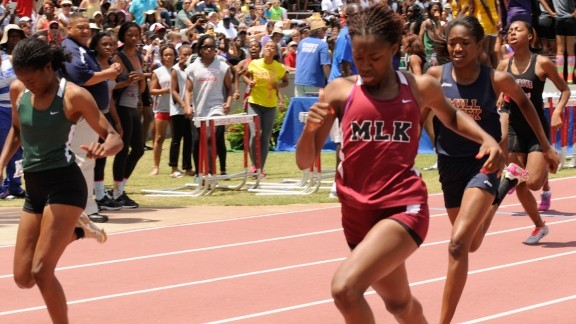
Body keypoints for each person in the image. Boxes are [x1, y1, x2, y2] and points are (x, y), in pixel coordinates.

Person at [296, 4, 504, 323]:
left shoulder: (419, 87)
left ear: (393, 49)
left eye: (374, 58)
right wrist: (309, 131)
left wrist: (486, 139)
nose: (365, 66)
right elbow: (304, 161)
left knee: (345, 289)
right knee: (399, 305)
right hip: (356, 214)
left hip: (402, 208)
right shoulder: (339, 92)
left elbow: (452, 116)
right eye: (358, 57)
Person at [425, 16, 559, 324]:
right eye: (453, 42)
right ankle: (504, 189)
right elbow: (421, 114)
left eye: (464, 43)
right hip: (449, 165)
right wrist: (432, 141)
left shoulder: (494, 78)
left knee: (457, 244)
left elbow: (526, 105)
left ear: (478, 45)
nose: (457, 48)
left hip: (483, 164)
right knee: (470, 244)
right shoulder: (435, 76)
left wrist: (546, 146)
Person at [0, 37, 122, 324]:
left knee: (42, 271)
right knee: (22, 278)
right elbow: (17, 131)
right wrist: (2, 161)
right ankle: (78, 231)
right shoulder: (20, 90)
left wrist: (104, 147)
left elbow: (115, 136)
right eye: (21, 79)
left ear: (47, 67)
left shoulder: (74, 96)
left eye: (32, 79)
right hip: (35, 186)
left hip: (65, 184)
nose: (27, 85)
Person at [496, 19, 570, 236]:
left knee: (533, 184)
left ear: (530, 36)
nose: (512, 33)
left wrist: (557, 111)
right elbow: (497, 88)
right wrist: (501, 94)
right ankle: (539, 225)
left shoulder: (542, 63)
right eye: (509, 31)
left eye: (518, 30)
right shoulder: (503, 65)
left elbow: (564, 90)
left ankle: (544, 173)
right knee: (518, 182)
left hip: (536, 129)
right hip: (514, 129)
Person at [62, 12, 123, 222]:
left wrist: (107, 70)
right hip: (81, 114)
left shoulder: (81, 49)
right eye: (79, 27)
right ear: (68, 30)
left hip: (89, 113)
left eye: (87, 27)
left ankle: (86, 207)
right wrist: (109, 73)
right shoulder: (70, 48)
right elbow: (81, 77)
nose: (86, 30)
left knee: (86, 161)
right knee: (83, 160)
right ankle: (82, 210)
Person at [184, 34, 233, 176]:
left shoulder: (222, 66)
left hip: (216, 108)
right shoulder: (192, 68)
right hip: (199, 110)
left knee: (212, 137)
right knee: (197, 141)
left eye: (212, 47)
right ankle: (199, 173)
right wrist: (187, 106)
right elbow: (188, 90)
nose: (209, 49)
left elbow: (229, 88)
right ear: (200, 49)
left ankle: (211, 173)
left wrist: (228, 102)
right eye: (206, 47)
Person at [111, 21, 147, 208]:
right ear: (123, 36)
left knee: (139, 149)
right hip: (122, 105)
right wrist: (125, 83)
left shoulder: (139, 57)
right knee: (123, 149)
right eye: (130, 34)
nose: (133, 38)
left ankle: (120, 187)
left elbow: (141, 87)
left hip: (134, 105)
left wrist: (141, 79)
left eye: (136, 34)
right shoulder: (118, 57)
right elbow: (110, 85)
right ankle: (118, 192)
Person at [89, 31, 125, 213]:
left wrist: (116, 122)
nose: (109, 47)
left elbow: (109, 97)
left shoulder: (113, 66)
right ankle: (94, 197)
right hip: (89, 117)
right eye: (104, 44)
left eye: (111, 44)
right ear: (95, 45)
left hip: (105, 114)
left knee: (103, 157)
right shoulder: (91, 65)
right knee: (90, 158)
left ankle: (101, 195)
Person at [244, 39, 288, 176]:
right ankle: (253, 164)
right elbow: (244, 75)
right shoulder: (255, 63)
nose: (269, 48)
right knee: (254, 134)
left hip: (270, 105)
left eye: (272, 47)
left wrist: (278, 86)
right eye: (267, 46)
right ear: (263, 49)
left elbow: (285, 81)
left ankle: (260, 168)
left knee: (265, 137)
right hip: (254, 102)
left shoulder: (279, 67)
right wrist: (249, 82)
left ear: (275, 52)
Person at [0, 24, 26, 200]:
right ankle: (2, 188)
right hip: (2, 109)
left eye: (18, 36)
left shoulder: (24, 59)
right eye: (11, 36)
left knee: (19, 149)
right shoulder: (1, 58)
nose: (15, 39)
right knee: (3, 147)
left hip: (20, 108)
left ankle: (15, 186)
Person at [149, 44, 176, 176]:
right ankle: (156, 167)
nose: (169, 57)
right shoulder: (158, 72)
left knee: (176, 139)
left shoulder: (179, 70)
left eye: (171, 54)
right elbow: (151, 90)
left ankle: (174, 167)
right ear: (162, 56)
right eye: (166, 54)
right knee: (159, 137)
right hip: (162, 107)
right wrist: (164, 90)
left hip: (177, 108)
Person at [170, 44, 196, 177]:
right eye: (184, 54)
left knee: (189, 139)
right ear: (179, 55)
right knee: (176, 139)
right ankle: (174, 168)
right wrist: (183, 104)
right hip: (177, 109)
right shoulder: (175, 70)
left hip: (189, 110)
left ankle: (187, 167)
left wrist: (189, 106)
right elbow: (173, 90)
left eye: (189, 54)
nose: (186, 57)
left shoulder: (192, 69)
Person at [294, 19, 331, 97]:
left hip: (299, 81)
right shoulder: (323, 44)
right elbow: (325, 65)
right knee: (313, 108)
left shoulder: (302, 42)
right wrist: (330, 81)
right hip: (314, 83)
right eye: (324, 29)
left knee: (301, 108)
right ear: (319, 30)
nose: (325, 32)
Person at [551, 0, 575, 83]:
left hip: (560, 19)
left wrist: (551, 12)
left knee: (561, 50)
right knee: (569, 50)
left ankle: (562, 76)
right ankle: (569, 77)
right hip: (568, 19)